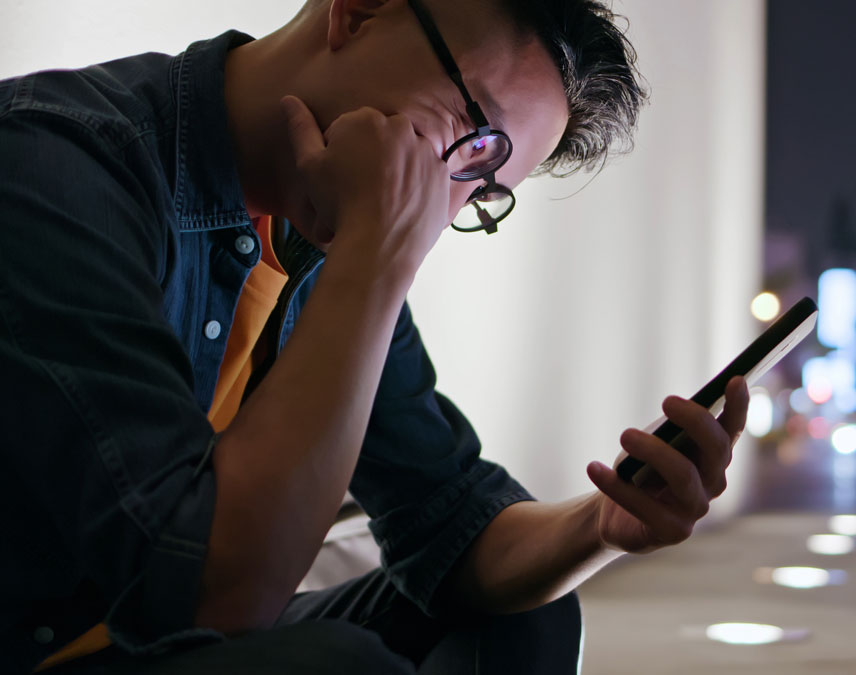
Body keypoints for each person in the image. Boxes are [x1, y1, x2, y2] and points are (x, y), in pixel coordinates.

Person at [0, 0, 749, 672]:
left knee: (524, 615)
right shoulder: (56, 162)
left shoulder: (326, 242)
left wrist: (606, 521)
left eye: (482, 186)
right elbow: (201, 597)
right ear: (356, 13)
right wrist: (373, 263)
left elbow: (449, 519)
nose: (439, 195)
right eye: (471, 131)